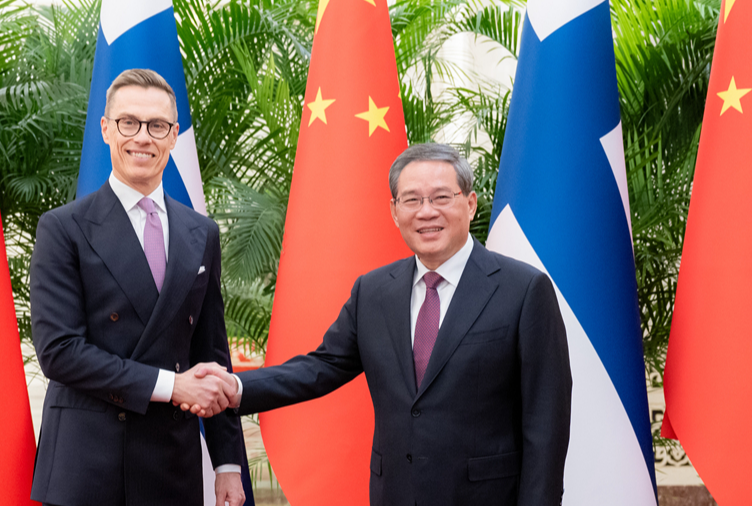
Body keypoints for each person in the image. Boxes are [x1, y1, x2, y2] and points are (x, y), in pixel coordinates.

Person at [189, 143, 572, 506]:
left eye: (442, 197)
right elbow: (320, 367)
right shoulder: (373, 291)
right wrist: (236, 387)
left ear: (470, 204)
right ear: (394, 211)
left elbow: (546, 423)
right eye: (412, 200)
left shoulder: (523, 290)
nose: (426, 212)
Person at [29, 69, 244, 506]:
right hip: (88, 466)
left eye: (157, 126)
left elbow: (212, 355)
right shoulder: (63, 228)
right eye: (129, 122)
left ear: (173, 135)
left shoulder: (201, 232)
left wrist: (227, 463)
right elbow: (60, 352)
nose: (142, 137)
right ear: (107, 129)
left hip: (171, 463)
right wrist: (173, 386)